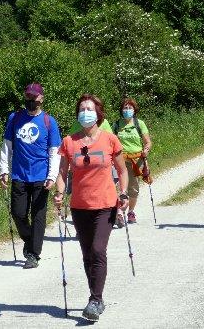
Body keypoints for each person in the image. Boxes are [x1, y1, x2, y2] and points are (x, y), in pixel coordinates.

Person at [54, 94, 129, 322]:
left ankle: (95, 299)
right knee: (87, 254)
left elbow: (122, 171)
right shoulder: (69, 141)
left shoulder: (110, 139)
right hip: (79, 206)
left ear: (98, 114)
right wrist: (59, 193)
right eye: (82, 109)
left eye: (90, 108)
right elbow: (62, 173)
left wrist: (123, 193)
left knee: (98, 250)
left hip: (106, 204)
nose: (85, 112)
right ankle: (96, 298)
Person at [0, 82, 61, 269]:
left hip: (41, 176)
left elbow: (54, 151)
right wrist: (4, 170)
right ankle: (30, 239)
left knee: (39, 216)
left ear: (41, 98)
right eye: (28, 97)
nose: (30, 100)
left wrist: (52, 175)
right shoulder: (14, 118)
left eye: (34, 97)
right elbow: (7, 146)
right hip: (19, 174)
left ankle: (33, 254)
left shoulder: (49, 122)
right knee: (18, 213)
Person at [112, 97, 152, 226]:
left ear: (135, 110)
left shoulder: (139, 123)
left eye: (130, 108)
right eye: (125, 108)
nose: (127, 110)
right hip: (120, 159)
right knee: (118, 187)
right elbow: (111, 141)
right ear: (121, 110)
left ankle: (131, 212)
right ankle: (119, 213)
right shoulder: (117, 124)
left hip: (136, 160)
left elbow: (148, 142)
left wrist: (146, 149)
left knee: (133, 188)